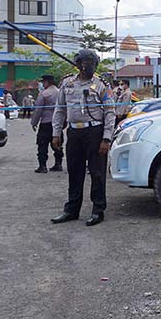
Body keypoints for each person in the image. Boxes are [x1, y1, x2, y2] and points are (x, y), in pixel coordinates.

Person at [50, 49, 116, 227]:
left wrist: (106, 138)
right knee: (74, 172)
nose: (90, 67)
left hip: (95, 132)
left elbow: (110, 112)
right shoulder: (67, 83)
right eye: (87, 63)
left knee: (97, 173)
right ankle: (71, 210)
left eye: (93, 64)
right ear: (78, 64)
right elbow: (60, 109)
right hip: (74, 133)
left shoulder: (102, 85)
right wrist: (56, 133)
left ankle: (98, 210)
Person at [30, 74, 63, 173]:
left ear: (47, 82)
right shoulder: (60, 92)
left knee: (42, 145)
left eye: (43, 82)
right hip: (58, 123)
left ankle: (42, 166)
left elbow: (38, 110)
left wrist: (34, 122)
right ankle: (58, 164)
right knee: (57, 144)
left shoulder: (44, 94)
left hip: (45, 123)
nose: (43, 84)